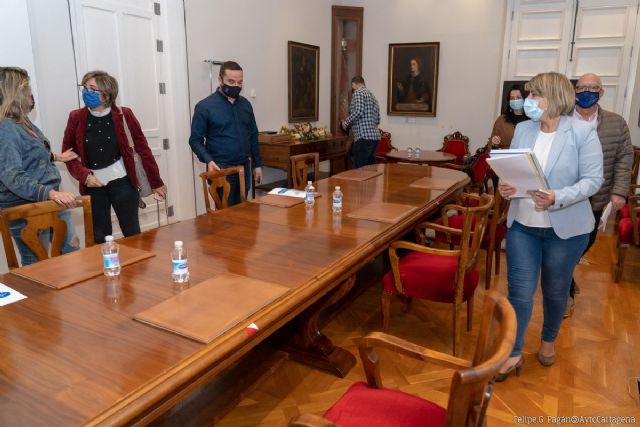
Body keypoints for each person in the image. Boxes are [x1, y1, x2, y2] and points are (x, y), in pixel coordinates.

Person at [495, 72, 603, 381]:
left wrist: (557, 197)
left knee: (555, 291)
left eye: (533, 96)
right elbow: (518, 171)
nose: (526, 102)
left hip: (565, 231)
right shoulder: (524, 130)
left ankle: (548, 340)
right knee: (519, 292)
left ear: (553, 98)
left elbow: (593, 181)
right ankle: (513, 354)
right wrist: (507, 185)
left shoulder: (582, 132)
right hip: (523, 226)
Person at [62, 70, 166, 244]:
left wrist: (156, 182)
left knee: (132, 234)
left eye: (92, 89)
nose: (86, 92)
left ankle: (136, 270)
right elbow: (68, 155)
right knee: (100, 238)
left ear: (107, 94)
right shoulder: (76, 117)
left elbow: (143, 149)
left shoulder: (124, 115)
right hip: (93, 187)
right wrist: (84, 176)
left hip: (124, 184)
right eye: (84, 87)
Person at [565, 73, 633, 316]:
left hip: (598, 197)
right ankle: (566, 292)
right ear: (574, 92)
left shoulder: (616, 123)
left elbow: (625, 159)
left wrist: (619, 192)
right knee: (564, 245)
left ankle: (565, 275)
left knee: (586, 242)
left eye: (593, 88)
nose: (587, 92)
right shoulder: (562, 118)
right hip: (566, 196)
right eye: (582, 87)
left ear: (601, 92)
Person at [0, 67, 80, 265]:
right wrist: (52, 194)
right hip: (27, 207)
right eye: (28, 88)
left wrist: (56, 156)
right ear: (16, 92)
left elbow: (27, 155)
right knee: (38, 264)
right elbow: (12, 175)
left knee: (72, 252)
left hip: (48, 202)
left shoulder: (22, 122)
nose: (31, 93)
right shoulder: (6, 128)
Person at [189, 61, 262, 207]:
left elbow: (253, 135)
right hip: (221, 168)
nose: (236, 86)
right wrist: (209, 160)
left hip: (244, 168)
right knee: (225, 217)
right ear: (220, 80)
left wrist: (257, 164)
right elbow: (195, 140)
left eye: (240, 82)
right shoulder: (205, 106)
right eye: (231, 81)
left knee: (243, 212)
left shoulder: (246, 105)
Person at [341, 76, 381, 168]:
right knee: (370, 170)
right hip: (374, 138)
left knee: (359, 170)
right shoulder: (372, 96)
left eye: (352, 86)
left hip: (363, 137)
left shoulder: (358, 92)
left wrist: (346, 122)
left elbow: (358, 111)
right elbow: (378, 119)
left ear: (354, 84)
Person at [490, 83, 529, 149]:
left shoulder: (533, 120)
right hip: (506, 156)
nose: (515, 100)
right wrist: (494, 143)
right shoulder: (501, 120)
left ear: (525, 99)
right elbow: (491, 146)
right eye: (512, 98)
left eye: (518, 97)